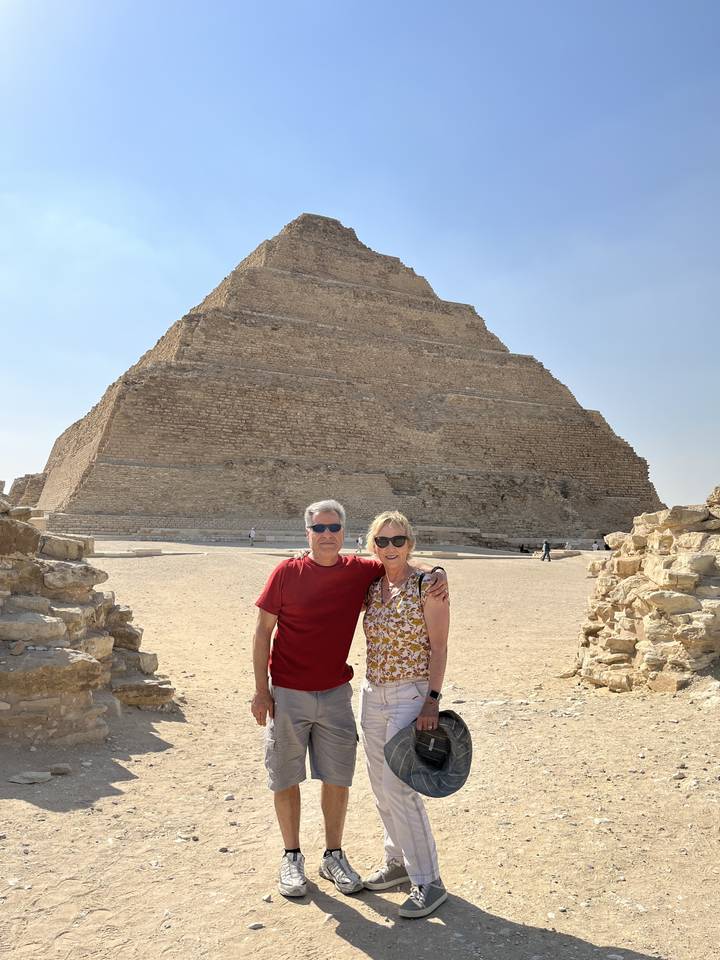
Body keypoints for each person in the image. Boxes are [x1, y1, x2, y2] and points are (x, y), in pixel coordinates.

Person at [250, 499, 448, 901]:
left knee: (345, 778)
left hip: (350, 695)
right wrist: (260, 690)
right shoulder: (295, 573)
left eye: (333, 528)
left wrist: (438, 570)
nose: (327, 535)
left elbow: (406, 572)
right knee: (294, 776)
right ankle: (293, 857)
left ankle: (346, 858)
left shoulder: (370, 573)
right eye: (319, 529)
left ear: (345, 532)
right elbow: (261, 632)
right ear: (307, 532)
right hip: (295, 692)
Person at [360, 510, 450, 919]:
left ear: (410, 543)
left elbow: (439, 646)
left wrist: (431, 701)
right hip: (372, 692)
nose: (390, 547)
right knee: (379, 785)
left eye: (398, 540)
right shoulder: (371, 585)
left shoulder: (427, 584)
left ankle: (428, 881)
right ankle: (397, 862)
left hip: (408, 695)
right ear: (372, 545)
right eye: (382, 541)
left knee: (400, 787)